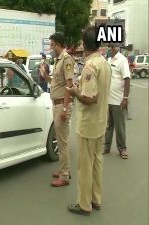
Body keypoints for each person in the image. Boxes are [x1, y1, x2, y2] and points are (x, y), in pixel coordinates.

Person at [66, 26, 111, 216]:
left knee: (85, 166)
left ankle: (84, 205)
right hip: (100, 122)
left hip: (88, 124)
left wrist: (75, 91)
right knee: (96, 162)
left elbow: (89, 98)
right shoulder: (104, 63)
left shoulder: (90, 66)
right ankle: (96, 199)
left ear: (84, 44)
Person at [48, 32, 74, 187]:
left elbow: (69, 85)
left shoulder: (66, 59)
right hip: (56, 104)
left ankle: (64, 176)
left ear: (58, 44)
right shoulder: (58, 60)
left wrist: (64, 108)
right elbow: (59, 82)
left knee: (62, 142)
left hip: (62, 105)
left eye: (52, 45)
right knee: (61, 139)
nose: (51, 47)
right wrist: (47, 78)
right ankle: (65, 169)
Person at [103, 44, 130, 159]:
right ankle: (106, 147)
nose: (108, 49)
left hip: (118, 100)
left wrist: (125, 98)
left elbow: (127, 79)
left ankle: (122, 149)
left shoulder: (122, 60)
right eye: (108, 47)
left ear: (114, 48)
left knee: (120, 127)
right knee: (109, 126)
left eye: (110, 47)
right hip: (108, 100)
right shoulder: (108, 60)